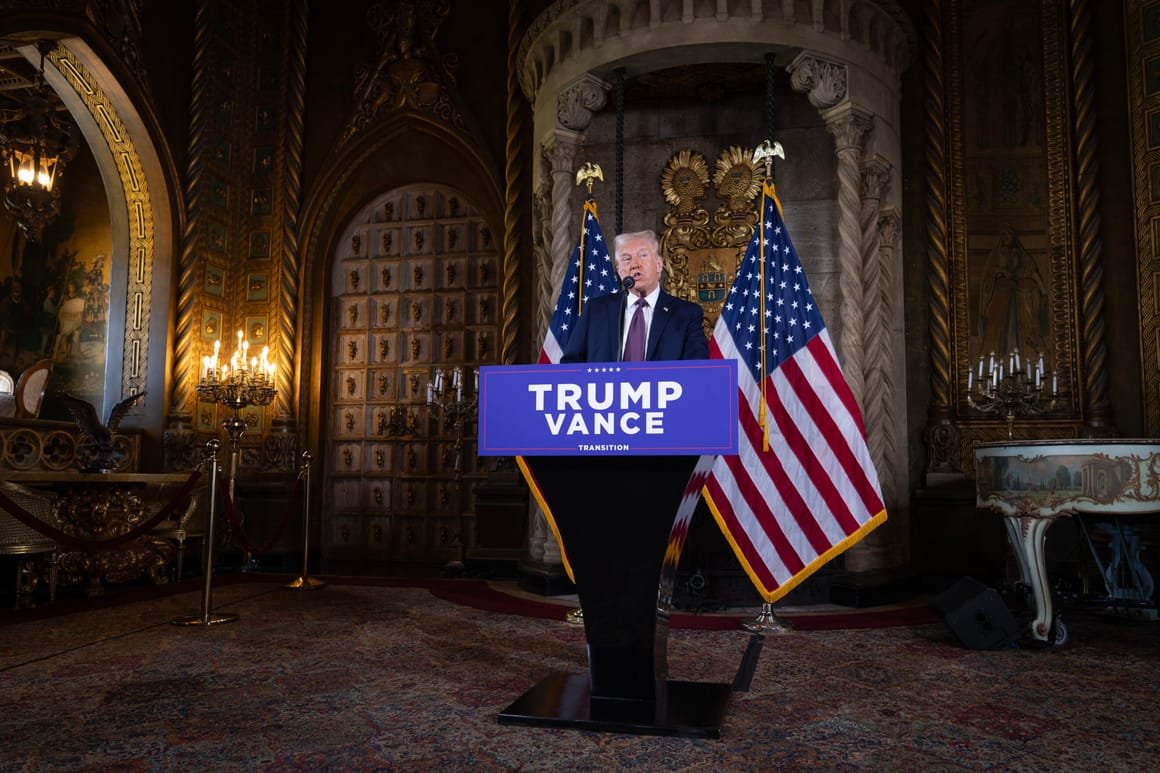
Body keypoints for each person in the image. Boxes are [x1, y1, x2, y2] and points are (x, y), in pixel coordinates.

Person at [560, 229, 708, 362]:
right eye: (626, 259)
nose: (634, 264)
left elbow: (697, 368)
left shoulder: (686, 314)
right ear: (619, 271)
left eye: (643, 256)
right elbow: (571, 365)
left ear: (659, 265)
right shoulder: (596, 310)